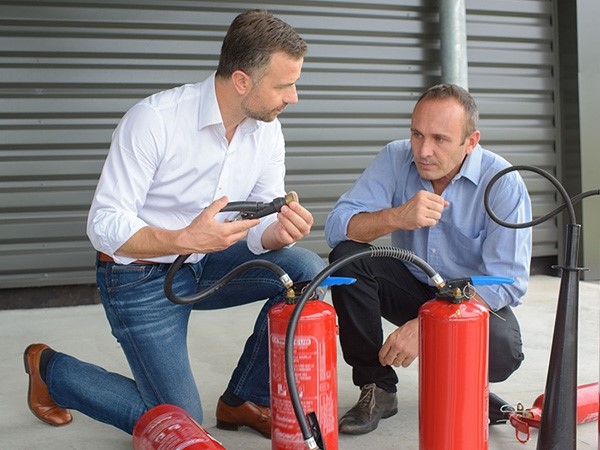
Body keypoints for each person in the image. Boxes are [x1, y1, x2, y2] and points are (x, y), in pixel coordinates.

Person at [23, 9, 325, 440]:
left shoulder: (266, 131)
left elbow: (258, 225)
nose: (293, 97)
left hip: (208, 261)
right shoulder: (155, 120)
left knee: (304, 270)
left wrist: (277, 232)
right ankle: (51, 371)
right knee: (183, 425)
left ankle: (244, 398)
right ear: (242, 81)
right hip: (137, 275)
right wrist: (183, 237)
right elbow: (104, 222)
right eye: (284, 85)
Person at [324, 83, 532, 435]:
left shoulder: (503, 183)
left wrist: (429, 327)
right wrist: (397, 217)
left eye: (440, 139)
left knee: (502, 349)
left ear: (471, 141)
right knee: (347, 259)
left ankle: (471, 384)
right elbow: (337, 227)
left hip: (467, 300)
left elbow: (507, 280)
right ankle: (377, 387)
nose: (423, 150)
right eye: (416, 134)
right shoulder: (394, 157)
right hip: (409, 283)